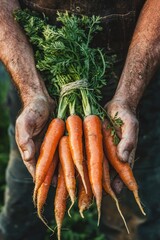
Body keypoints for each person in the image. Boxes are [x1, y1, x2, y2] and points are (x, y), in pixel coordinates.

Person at [0, 0, 160, 239]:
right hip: (32, 70)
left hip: (137, 67)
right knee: (23, 206)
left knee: (137, 215)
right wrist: (32, 91)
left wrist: (127, 98)